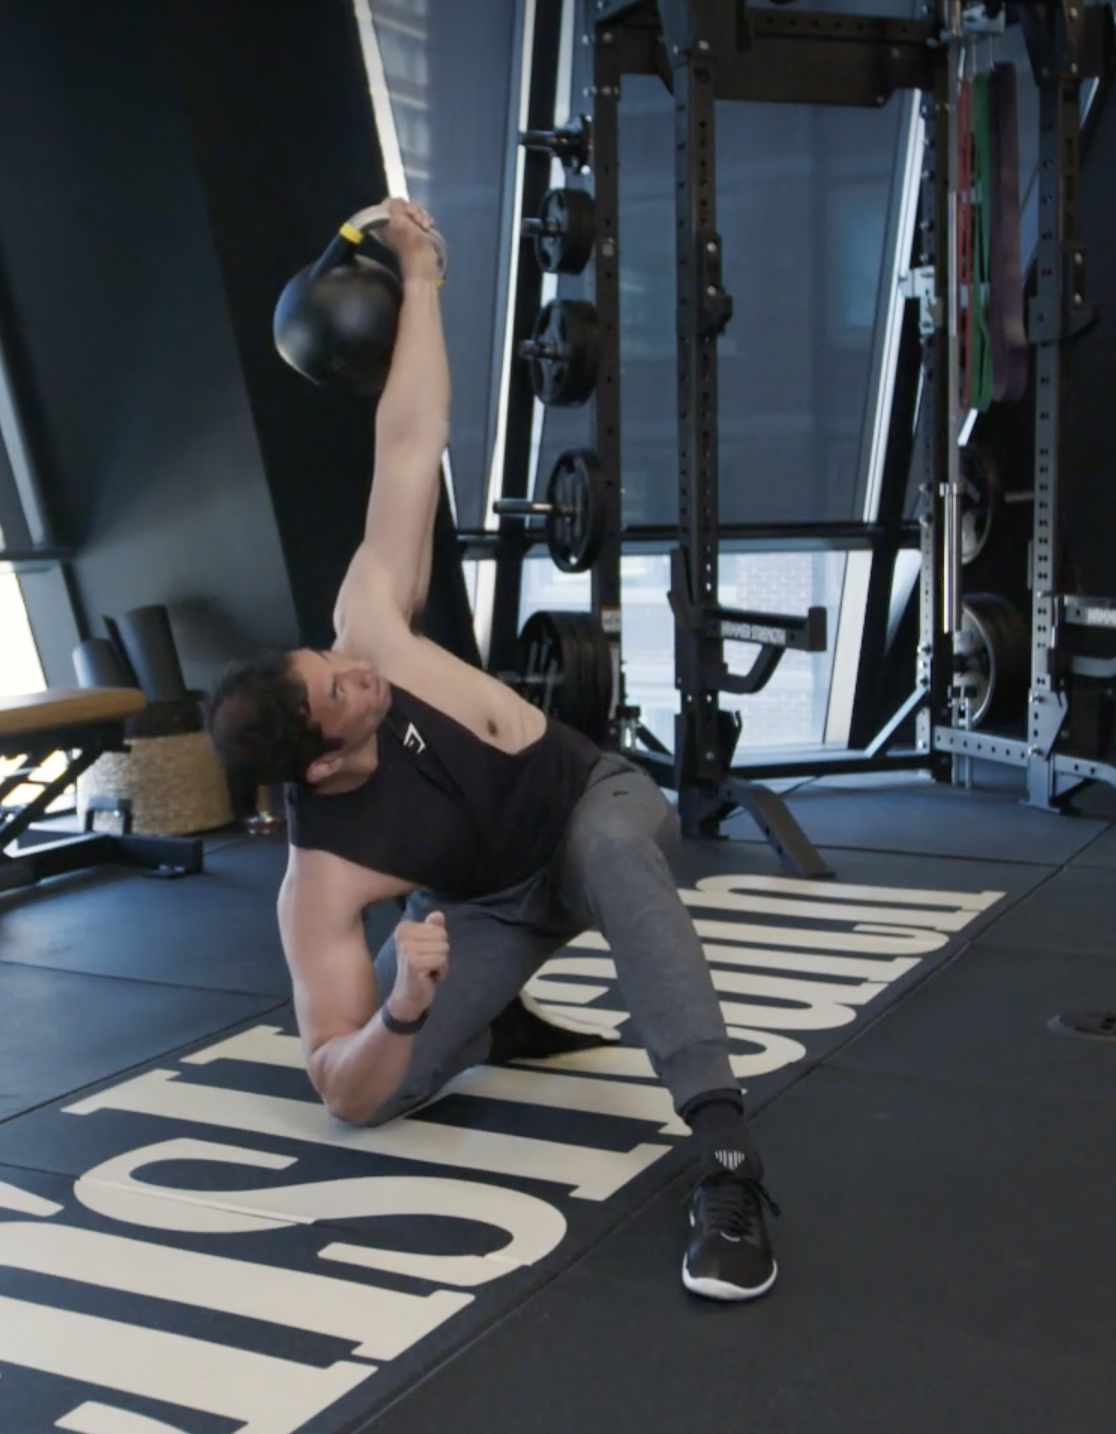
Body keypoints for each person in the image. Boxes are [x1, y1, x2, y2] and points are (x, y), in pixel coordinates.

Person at [208, 197, 778, 1301]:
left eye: (331, 661)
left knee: (614, 857)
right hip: (493, 901)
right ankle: (486, 1012)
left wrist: (417, 274)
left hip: (589, 805)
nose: (359, 667)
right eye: (339, 693)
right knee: (390, 1092)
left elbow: (409, 440)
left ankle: (726, 1159)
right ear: (318, 767)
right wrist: (407, 1009)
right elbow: (335, 1080)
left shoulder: (369, 624)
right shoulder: (319, 883)